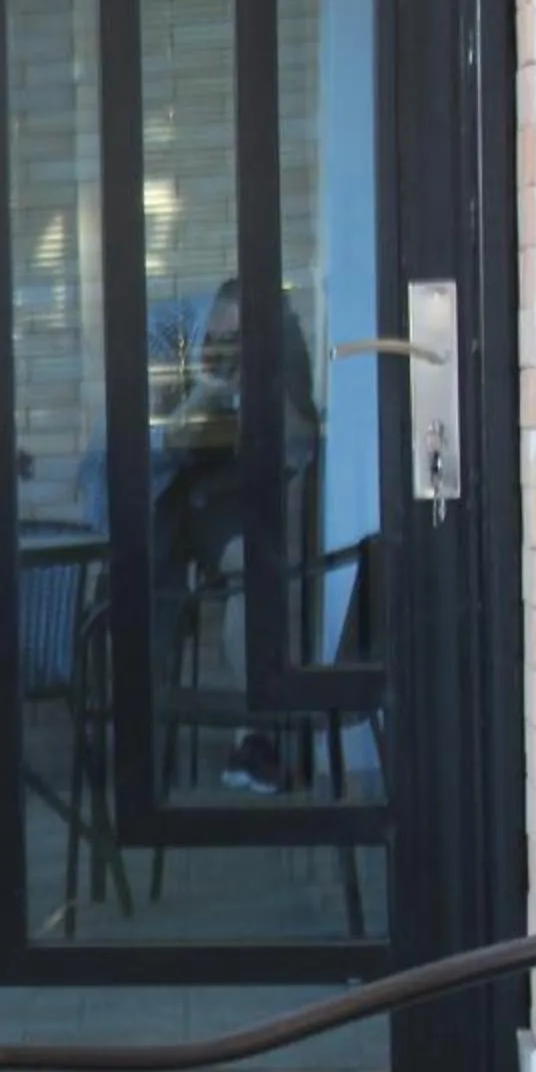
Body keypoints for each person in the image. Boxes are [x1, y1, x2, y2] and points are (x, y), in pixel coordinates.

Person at [149, 278, 319, 793]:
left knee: (255, 570)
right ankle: (152, 738)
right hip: (186, 501)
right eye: (222, 333)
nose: (227, 345)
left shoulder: (280, 349)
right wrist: (205, 386)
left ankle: (255, 733)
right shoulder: (182, 347)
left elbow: (302, 434)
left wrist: (255, 384)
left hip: (246, 500)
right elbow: (164, 433)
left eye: (238, 336)